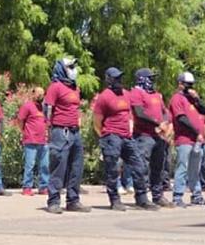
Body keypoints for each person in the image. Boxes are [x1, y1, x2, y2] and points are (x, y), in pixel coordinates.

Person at [93, 67, 158, 211]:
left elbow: (133, 112)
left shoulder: (126, 94)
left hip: (127, 137)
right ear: (109, 79)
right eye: (116, 78)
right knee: (113, 169)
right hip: (111, 136)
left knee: (139, 166)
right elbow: (97, 121)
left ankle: (141, 199)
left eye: (120, 78)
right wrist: (104, 136)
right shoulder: (104, 96)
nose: (119, 81)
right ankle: (115, 200)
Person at [44, 58, 89, 214]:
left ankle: (73, 200)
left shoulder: (75, 88)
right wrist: (49, 129)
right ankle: (53, 201)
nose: (73, 69)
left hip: (75, 132)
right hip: (60, 132)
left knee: (76, 166)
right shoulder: (55, 87)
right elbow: (47, 109)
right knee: (59, 166)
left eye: (74, 66)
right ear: (61, 69)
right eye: (70, 66)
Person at [129, 68, 173, 208]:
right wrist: (158, 123)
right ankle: (141, 198)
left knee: (158, 167)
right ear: (142, 79)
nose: (152, 81)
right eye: (150, 78)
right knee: (141, 168)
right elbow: (139, 113)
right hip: (144, 136)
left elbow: (165, 112)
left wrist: (165, 123)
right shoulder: (136, 92)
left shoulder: (156, 95)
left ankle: (157, 195)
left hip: (158, 135)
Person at [169, 72, 205, 208]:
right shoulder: (177, 99)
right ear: (180, 84)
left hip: (197, 141)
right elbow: (181, 119)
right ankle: (177, 196)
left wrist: (197, 98)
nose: (190, 87)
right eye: (187, 85)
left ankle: (197, 195)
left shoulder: (192, 99)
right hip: (185, 139)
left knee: (195, 169)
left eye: (191, 85)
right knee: (182, 167)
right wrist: (196, 132)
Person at [17, 87, 49, 196]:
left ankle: (43, 187)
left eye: (42, 93)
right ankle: (27, 187)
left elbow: (46, 122)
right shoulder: (27, 106)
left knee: (45, 165)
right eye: (38, 93)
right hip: (30, 140)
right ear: (33, 94)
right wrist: (24, 131)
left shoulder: (43, 108)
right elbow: (20, 120)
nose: (41, 95)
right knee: (30, 165)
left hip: (43, 141)